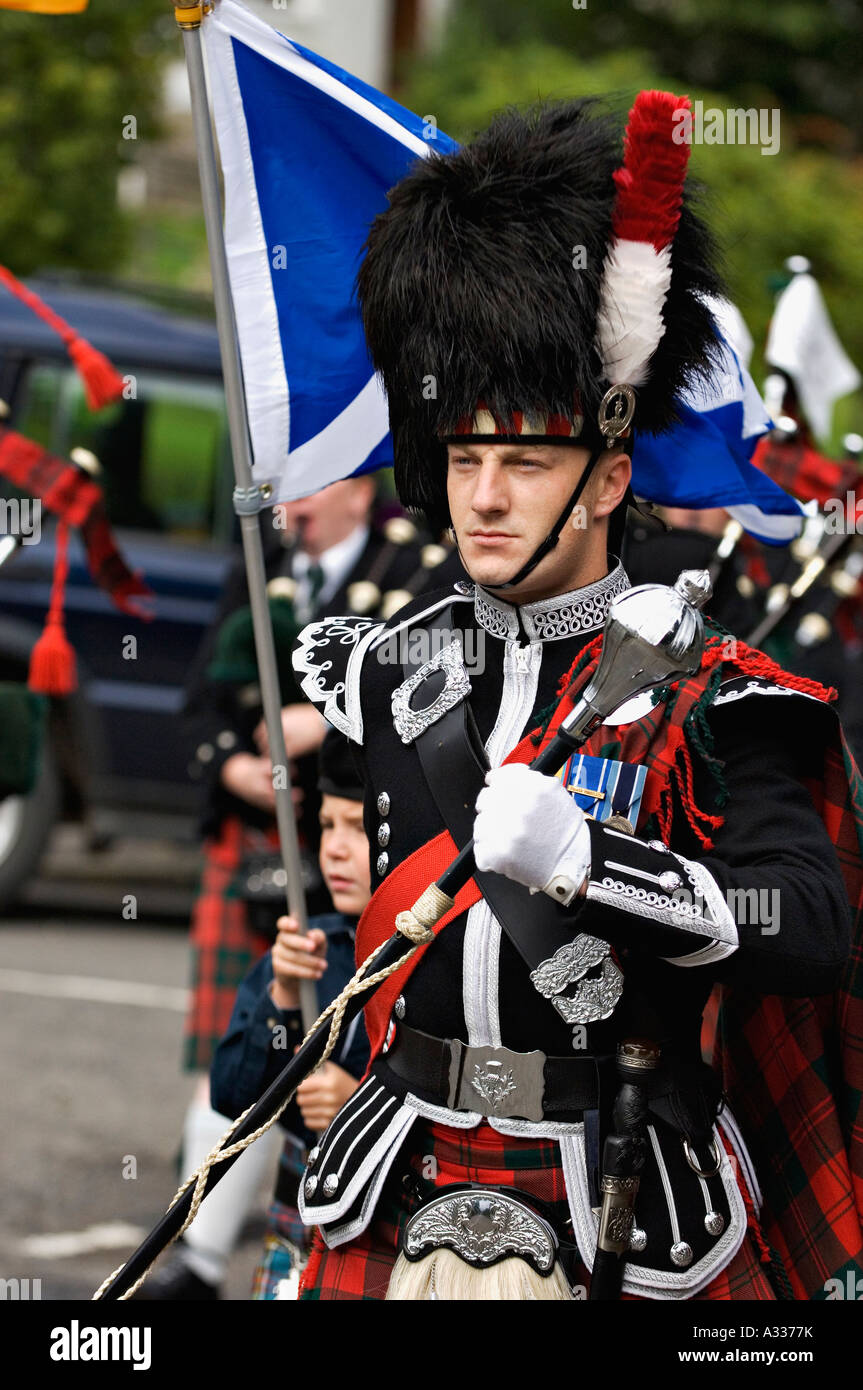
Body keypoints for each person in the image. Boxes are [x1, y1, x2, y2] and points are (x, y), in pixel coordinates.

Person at [285, 94, 862, 1300]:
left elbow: (808, 928)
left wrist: (596, 867)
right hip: (400, 1170)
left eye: (523, 461)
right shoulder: (393, 671)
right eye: (463, 459)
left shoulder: (714, 693)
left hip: (624, 1186)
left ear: (605, 477)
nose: (483, 497)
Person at [140, 477, 449, 1299]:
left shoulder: (414, 566)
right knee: (253, 1036)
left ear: (355, 489)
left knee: (360, 1041)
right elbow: (203, 693)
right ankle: (202, 1254)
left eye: (310, 492)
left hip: (368, 845)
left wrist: (330, 717)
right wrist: (236, 766)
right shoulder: (261, 561)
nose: (292, 512)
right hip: (266, 836)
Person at [210, 730, 371, 1299]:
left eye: (357, 827)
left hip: (389, 1232)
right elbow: (232, 1096)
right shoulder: (306, 951)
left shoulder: (443, 963)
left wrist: (360, 1105)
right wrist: (280, 995)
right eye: (327, 826)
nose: (333, 848)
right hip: (297, 1223)